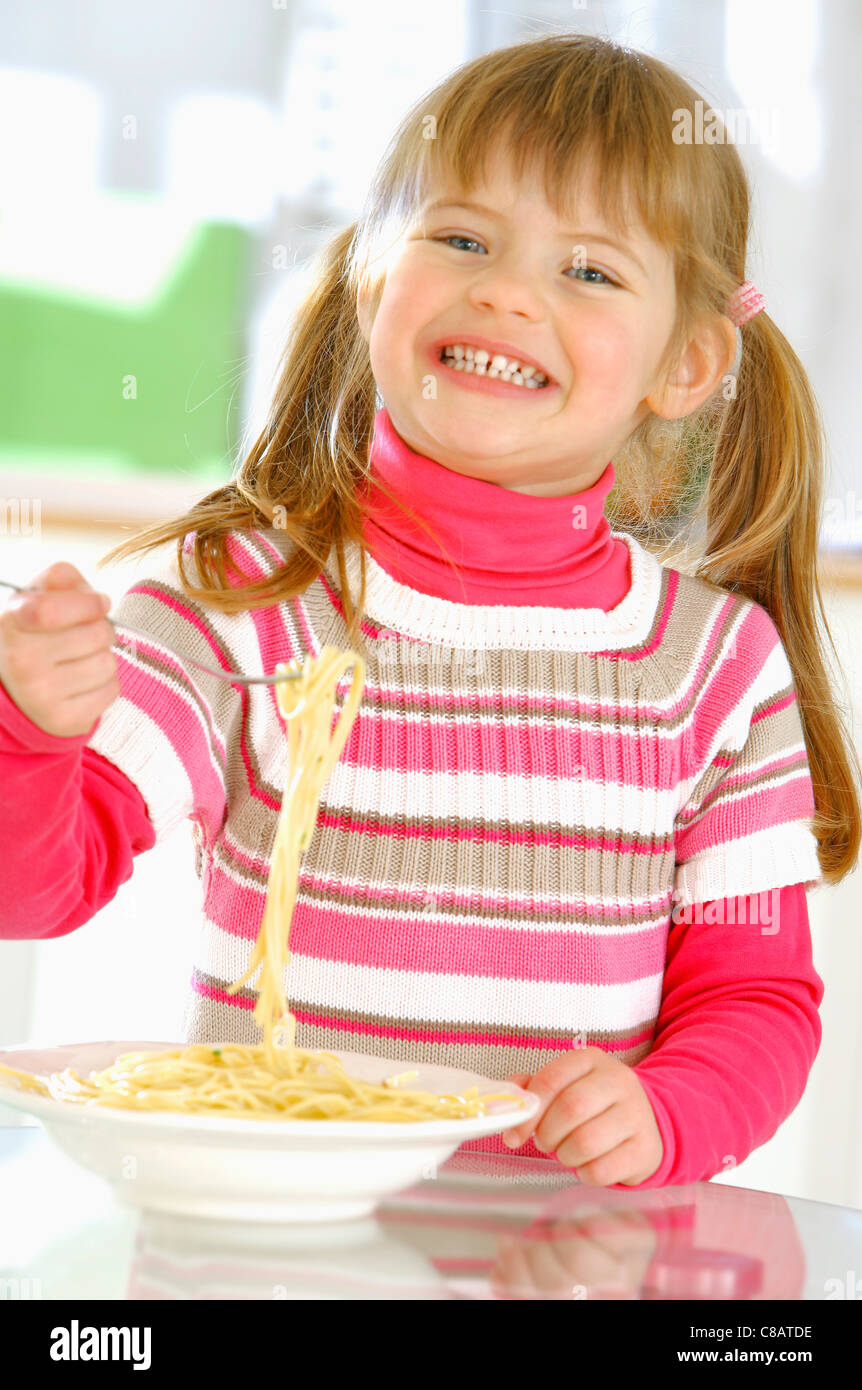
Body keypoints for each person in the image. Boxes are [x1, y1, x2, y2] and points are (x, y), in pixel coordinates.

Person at [1, 34, 859, 1189]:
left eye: (590, 271)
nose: (504, 290)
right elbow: (35, 889)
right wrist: (29, 731)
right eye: (460, 240)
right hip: (263, 1246)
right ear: (372, 277)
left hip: (553, 1259)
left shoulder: (714, 668)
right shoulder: (238, 605)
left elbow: (754, 996)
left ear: (689, 361)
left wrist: (667, 1110)